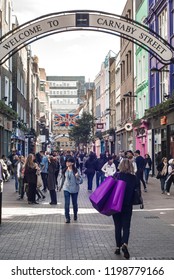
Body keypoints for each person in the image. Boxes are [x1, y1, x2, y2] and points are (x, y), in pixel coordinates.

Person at [112, 159, 140, 259]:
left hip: (116, 205)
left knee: (117, 226)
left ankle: (117, 247)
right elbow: (137, 192)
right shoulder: (134, 178)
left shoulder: (116, 176)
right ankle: (125, 244)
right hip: (128, 205)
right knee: (126, 226)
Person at [59, 157, 83, 223]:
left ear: (72, 163)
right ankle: (67, 218)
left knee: (74, 203)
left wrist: (77, 177)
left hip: (75, 189)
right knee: (67, 203)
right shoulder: (64, 170)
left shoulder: (76, 170)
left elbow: (81, 181)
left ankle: (75, 214)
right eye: (66, 161)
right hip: (66, 188)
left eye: (69, 162)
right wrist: (60, 187)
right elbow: (62, 179)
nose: (67, 163)